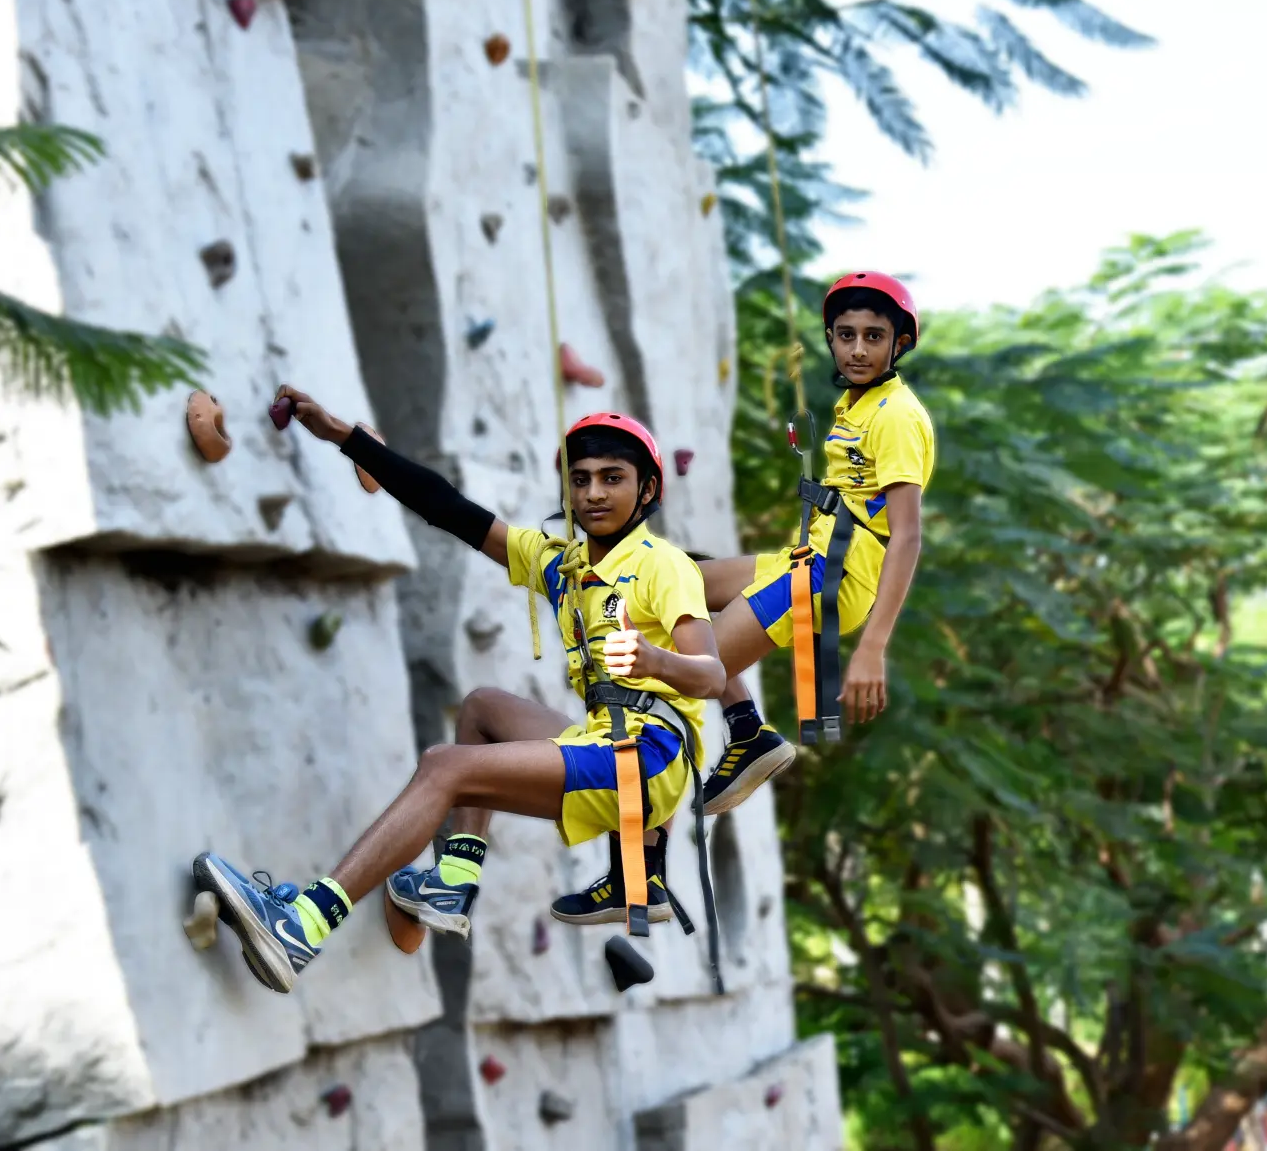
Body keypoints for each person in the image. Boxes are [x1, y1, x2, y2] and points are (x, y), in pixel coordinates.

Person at [192, 387, 725, 993]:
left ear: (647, 490)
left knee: (444, 768)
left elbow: (709, 675)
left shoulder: (663, 565)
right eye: (580, 480)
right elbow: (446, 508)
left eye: (613, 478)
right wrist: (346, 438)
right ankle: (453, 881)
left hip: (649, 755)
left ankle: (301, 927)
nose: (594, 493)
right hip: (612, 740)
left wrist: (653, 657)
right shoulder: (560, 563)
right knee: (483, 710)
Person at [686, 271, 935, 818]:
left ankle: (638, 856)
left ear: (901, 343)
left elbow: (908, 535)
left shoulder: (895, 417)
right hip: (811, 558)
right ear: (829, 338)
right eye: (846, 334)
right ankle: (747, 732)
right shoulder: (859, 405)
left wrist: (872, 647)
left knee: (686, 668)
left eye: (874, 336)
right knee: (677, 584)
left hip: (830, 578)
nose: (858, 348)